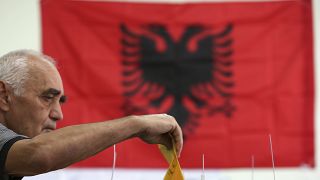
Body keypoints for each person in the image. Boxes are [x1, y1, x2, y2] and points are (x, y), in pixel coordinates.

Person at [0, 50, 183, 180]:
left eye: (60, 101)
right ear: (4, 96)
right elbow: (37, 155)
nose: (59, 114)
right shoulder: (22, 154)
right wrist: (137, 125)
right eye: (47, 98)